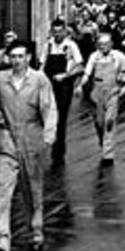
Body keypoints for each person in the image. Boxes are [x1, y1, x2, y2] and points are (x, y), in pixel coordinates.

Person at [0, 40, 58, 251]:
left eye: (21, 56)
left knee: (32, 189)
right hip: (6, 139)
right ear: (8, 58)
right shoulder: (0, 79)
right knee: (2, 192)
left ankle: (35, 231)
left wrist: (48, 135)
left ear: (28, 58)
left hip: (31, 137)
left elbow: (49, 108)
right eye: (13, 56)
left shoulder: (39, 80)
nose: (16, 60)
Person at [75, 32, 125, 164]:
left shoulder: (119, 56)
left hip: (112, 92)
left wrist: (123, 88)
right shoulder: (94, 57)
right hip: (97, 92)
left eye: (106, 44)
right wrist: (79, 86)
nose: (103, 47)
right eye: (100, 44)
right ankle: (103, 140)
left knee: (109, 122)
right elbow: (87, 73)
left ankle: (108, 154)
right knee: (99, 122)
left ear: (111, 44)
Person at [39, 18, 84, 164]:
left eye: (60, 31)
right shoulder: (48, 45)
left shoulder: (71, 46)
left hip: (64, 84)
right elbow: (42, 63)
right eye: (55, 32)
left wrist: (65, 75)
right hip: (49, 83)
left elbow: (80, 66)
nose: (57, 35)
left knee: (61, 117)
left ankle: (58, 152)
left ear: (65, 31)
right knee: (45, 113)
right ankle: (45, 144)